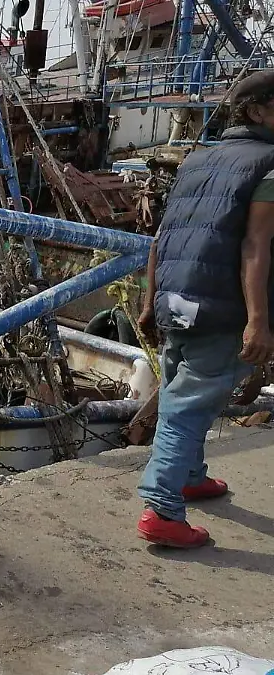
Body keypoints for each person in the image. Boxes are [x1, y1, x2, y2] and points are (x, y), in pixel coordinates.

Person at [135, 69, 274, 548]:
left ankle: (190, 476)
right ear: (257, 111)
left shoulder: (196, 161)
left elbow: (161, 237)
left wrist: (149, 304)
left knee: (182, 393)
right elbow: (256, 245)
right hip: (222, 306)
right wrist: (259, 321)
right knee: (189, 406)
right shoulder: (270, 165)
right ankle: (162, 507)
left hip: (177, 299)